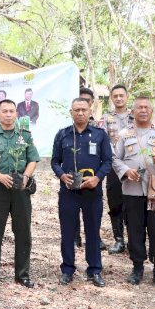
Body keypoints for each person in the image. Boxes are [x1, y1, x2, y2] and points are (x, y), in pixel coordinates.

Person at [112, 96, 155, 288]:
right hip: (132, 190)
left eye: (146, 107)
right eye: (139, 107)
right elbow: (115, 159)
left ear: (151, 111)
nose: (142, 110)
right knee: (134, 229)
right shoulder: (124, 134)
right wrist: (125, 171)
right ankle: (137, 267)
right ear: (132, 111)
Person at [51, 98, 112, 286]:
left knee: (93, 231)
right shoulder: (63, 135)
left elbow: (108, 161)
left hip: (92, 192)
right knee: (67, 232)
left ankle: (94, 270)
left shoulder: (100, 135)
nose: (80, 113)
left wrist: (97, 178)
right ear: (71, 112)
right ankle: (67, 269)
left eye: (83, 109)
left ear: (90, 111)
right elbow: (54, 161)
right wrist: (61, 175)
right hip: (68, 191)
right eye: (76, 110)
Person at [0, 99, 40, 288]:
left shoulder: (26, 136)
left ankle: (22, 275)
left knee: (23, 232)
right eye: (4, 111)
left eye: (11, 111)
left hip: (20, 187)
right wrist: (0, 177)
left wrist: (26, 176)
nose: (8, 114)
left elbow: (33, 159)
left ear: (16, 114)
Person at [99, 84, 133, 254]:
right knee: (115, 202)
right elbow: (103, 141)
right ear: (111, 98)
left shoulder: (136, 117)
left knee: (134, 203)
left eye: (122, 95)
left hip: (134, 166)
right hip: (113, 165)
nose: (119, 98)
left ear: (127, 97)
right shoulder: (106, 119)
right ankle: (119, 239)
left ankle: (134, 239)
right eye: (115, 96)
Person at [78, 87, 107, 251]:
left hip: (94, 177)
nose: (83, 107)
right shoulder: (70, 126)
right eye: (81, 100)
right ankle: (75, 236)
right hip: (74, 176)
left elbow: (106, 156)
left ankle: (95, 237)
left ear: (91, 104)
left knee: (94, 211)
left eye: (87, 101)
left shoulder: (98, 127)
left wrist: (98, 176)